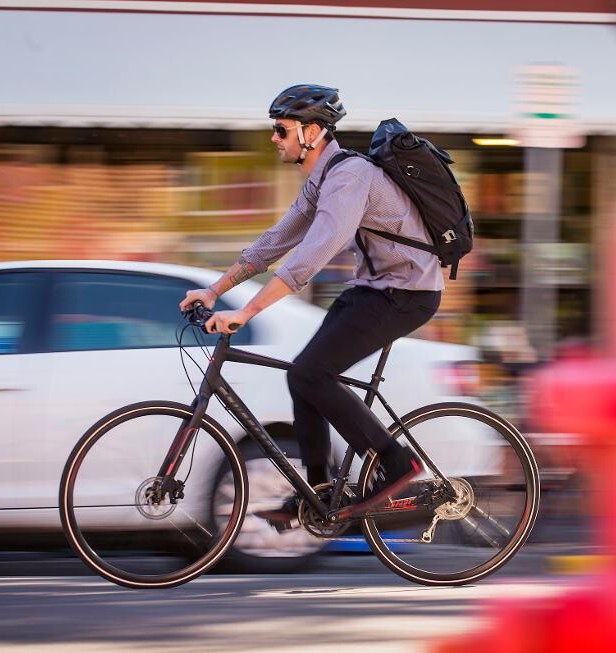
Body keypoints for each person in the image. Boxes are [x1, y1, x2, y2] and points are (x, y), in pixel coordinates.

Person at [179, 84, 444, 525]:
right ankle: (318, 493)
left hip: (408, 293)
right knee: (303, 375)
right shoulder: (322, 180)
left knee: (310, 373)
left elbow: (313, 254)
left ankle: (398, 464)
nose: (274, 138)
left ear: (313, 132)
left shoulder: (349, 177)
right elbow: (276, 242)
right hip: (375, 288)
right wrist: (214, 290)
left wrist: (246, 312)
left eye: (280, 130)